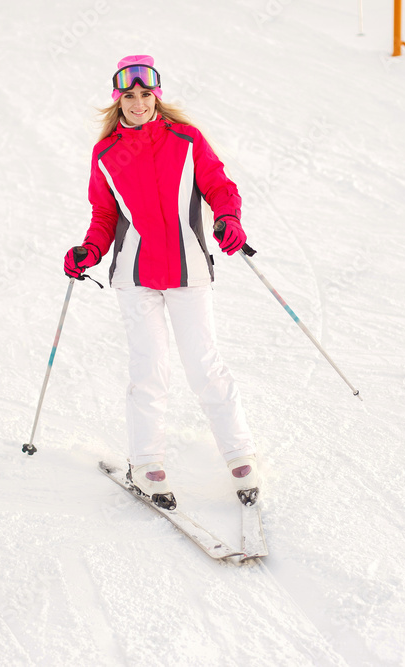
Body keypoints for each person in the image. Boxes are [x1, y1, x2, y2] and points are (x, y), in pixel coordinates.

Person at [64, 55, 259, 511]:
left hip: (190, 271)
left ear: (157, 95)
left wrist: (228, 217)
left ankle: (240, 455)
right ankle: (147, 464)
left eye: (145, 94)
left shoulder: (186, 139)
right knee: (149, 370)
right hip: (135, 277)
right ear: (118, 100)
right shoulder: (107, 153)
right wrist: (89, 251)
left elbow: (218, 186)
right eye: (128, 96)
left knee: (204, 364)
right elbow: (104, 215)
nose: (137, 103)